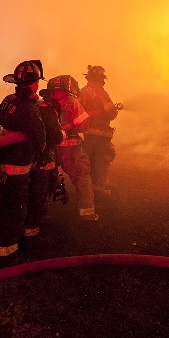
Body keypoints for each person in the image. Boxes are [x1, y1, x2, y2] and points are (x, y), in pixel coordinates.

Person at [0, 60, 47, 263]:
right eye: (37, 82)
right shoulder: (30, 108)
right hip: (15, 168)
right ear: (33, 84)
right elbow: (39, 140)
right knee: (14, 210)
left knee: (6, 206)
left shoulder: (7, 100)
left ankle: (0, 243)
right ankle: (6, 250)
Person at [40, 75, 99, 222]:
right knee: (81, 177)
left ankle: (41, 213)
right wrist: (71, 124)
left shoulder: (43, 103)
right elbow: (83, 125)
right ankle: (87, 212)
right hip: (70, 148)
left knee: (45, 179)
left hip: (49, 148)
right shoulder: (72, 101)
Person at [22, 76, 66, 241]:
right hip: (42, 160)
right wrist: (62, 134)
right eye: (64, 95)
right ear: (56, 94)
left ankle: (34, 222)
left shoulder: (42, 105)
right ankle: (31, 230)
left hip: (36, 159)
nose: (66, 100)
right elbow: (54, 136)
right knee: (39, 194)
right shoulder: (48, 109)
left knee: (36, 193)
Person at [79, 65, 120, 196]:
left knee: (89, 158)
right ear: (101, 79)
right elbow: (110, 113)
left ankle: (89, 185)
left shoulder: (83, 90)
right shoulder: (101, 91)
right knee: (102, 159)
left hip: (87, 132)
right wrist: (114, 110)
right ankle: (99, 187)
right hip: (101, 132)